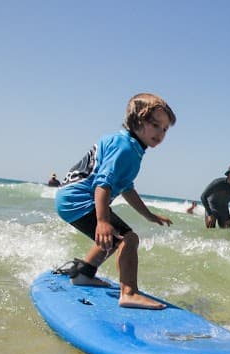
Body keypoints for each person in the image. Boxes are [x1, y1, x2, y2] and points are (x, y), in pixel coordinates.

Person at [55, 92, 176, 310]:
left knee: (111, 238)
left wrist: (149, 215)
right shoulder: (126, 148)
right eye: (155, 124)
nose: (161, 133)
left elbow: (127, 188)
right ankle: (129, 293)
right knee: (128, 239)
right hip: (79, 199)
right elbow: (103, 184)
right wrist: (102, 221)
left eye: (165, 129)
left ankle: (84, 273)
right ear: (137, 121)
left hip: (71, 198)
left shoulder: (128, 145)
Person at [200, 164, 230, 228]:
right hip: (212, 206)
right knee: (210, 228)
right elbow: (203, 196)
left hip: (224, 208)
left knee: (227, 230)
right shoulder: (218, 182)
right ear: (229, 174)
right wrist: (209, 214)